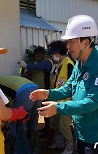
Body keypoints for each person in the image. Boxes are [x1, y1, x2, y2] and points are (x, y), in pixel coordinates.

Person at [30, 15, 98, 154]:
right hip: (81, 133)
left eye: (71, 42)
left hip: (94, 138)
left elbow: (92, 102)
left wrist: (59, 108)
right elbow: (68, 89)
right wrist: (49, 93)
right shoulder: (79, 63)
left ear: (85, 43)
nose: (67, 47)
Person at [0, 75, 42, 153]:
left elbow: (2, 106)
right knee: (33, 123)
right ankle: (31, 150)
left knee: (17, 125)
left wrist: (4, 121)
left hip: (25, 93)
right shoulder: (3, 80)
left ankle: (16, 151)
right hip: (37, 90)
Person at [47, 40, 74, 154]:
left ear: (58, 52)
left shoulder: (68, 64)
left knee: (65, 126)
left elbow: (72, 84)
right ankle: (59, 142)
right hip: (56, 101)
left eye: (54, 53)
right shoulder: (58, 64)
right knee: (56, 123)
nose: (53, 56)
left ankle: (70, 147)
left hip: (66, 102)